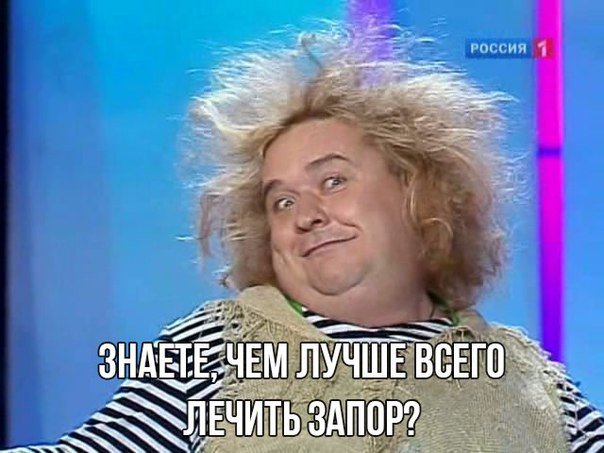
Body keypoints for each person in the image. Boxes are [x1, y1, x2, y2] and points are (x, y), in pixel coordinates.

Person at [7, 22, 604, 453]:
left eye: (333, 181)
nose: (305, 216)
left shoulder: (537, 383)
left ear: (417, 192)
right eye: (282, 202)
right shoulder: (214, 348)